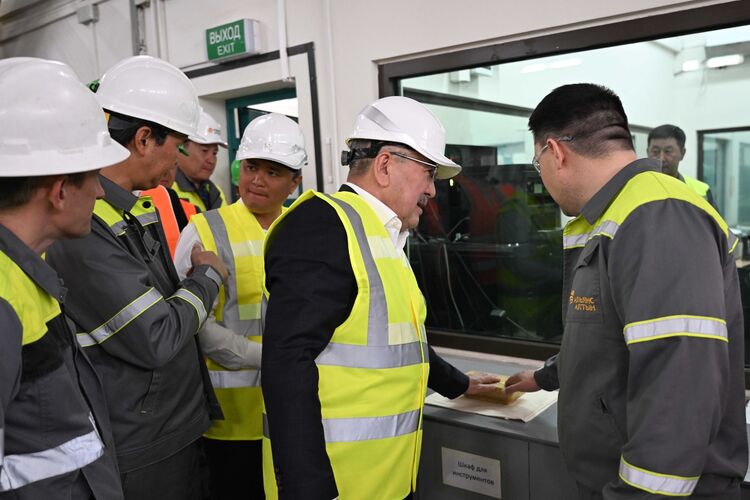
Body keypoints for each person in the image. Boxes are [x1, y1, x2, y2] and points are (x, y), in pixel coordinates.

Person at [505, 83, 747, 498]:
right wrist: (544, 376)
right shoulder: (613, 216)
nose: (540, 177)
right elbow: (608, 338)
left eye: (536, 163)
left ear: (555, 152)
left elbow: (679, 390)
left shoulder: (658, 216)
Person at [261, 96, 500, 500]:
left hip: (386, 482)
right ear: (386, 165)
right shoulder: (322, 227)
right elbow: (287, 364)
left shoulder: (382, 236)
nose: (432, 190)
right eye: (428, 173)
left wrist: (460, 384)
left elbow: (398, 344)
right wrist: (308, 489)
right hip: (339, 486)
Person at [45, 55, 229, 500]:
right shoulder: (83, 226)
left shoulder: (133, 206)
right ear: (145, 138)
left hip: (171, 422)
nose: (179, 159)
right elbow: (156, 335)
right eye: (178, 145)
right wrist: (208, 277)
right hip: (140, 440)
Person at [0, 57, 130, 498]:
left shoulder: (25, 275)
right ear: (59, 191)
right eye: (93, 176)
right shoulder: (4, 297)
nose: (100, 191)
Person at [174, 113, 306, 500]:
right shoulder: (204, 229)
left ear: (295, 181)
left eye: (273, 172)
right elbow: (187, 318)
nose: (257, 180)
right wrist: (262, 356)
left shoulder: (305, 230)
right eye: (251, 167)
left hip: (292, 412)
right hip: (229, 420)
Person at [647, 124, 717, 208]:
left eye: (668, 151)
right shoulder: (637, 188)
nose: (661, 158)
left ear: (682, 153)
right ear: (647, 152)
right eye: (655, 151)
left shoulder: (701, 192)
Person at [172, 110, 228, 211]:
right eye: (204, 150)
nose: (211, 160)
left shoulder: (216, 192)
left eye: (214, 153)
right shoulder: (167, 189)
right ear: (181, 148)